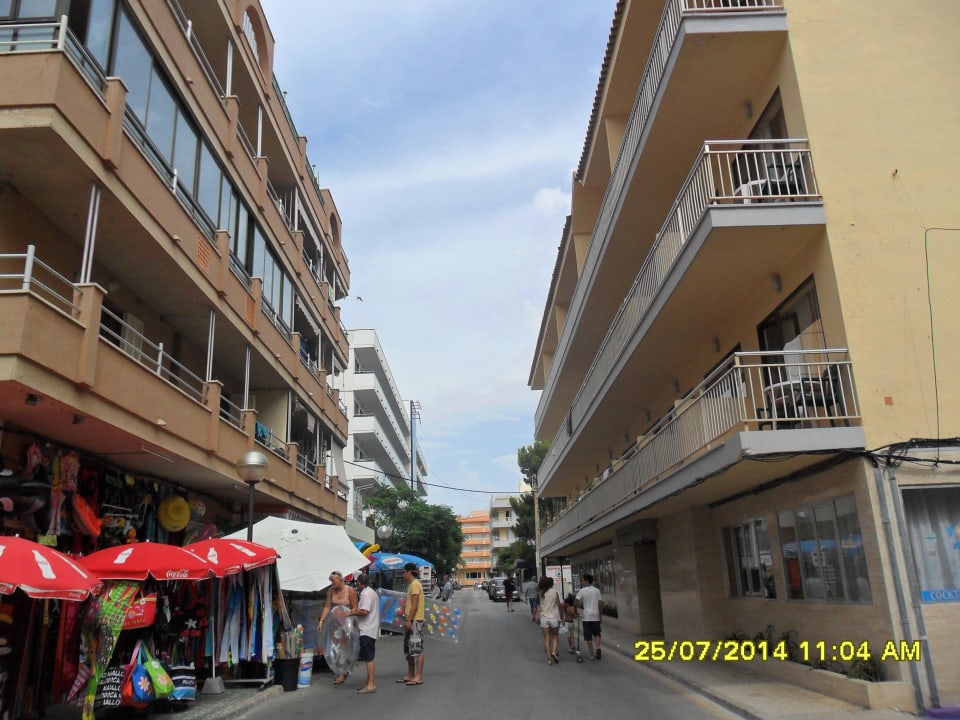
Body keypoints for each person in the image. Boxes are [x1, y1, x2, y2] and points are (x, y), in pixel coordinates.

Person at [317, 570, 358, 684]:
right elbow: (327, 607)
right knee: (335, 646)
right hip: (335, 622)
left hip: (347, 623)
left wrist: (348, 613)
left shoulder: (350, 590)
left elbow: (355, 608)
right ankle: (340, 668)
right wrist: (321, 621)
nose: (332, 583)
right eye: (330, 581)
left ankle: (341, 673)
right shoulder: (331, 591)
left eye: (333, 581)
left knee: (343, 648)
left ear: (340, 579)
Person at [397, 562, 425, 686]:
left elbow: (415, 604)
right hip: (411, 620)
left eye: (404, 572)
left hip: (415, 621)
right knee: (408, 649)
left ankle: (418, 676)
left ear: (409, 572)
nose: (403, 574)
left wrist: (409, 620)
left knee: (416, 649)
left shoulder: (415, 585)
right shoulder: (412, 585)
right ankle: (410, 674)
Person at [351, 573, 379, 694]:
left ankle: (371, 684)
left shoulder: (367, 594)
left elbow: (364, 611)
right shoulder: (371, 592)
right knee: (369, 657)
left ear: (360, 583)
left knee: (368, 658)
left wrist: (352, 613)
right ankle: (369, 682)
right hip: (371, 628)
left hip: (367, 629)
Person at [533, 576, 563, 665]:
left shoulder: (540, 593)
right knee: (555, 636)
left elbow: (539, 606)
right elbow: (559, 605)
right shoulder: (554, 592)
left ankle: (549, 658)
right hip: (553, 617)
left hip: (544, 618)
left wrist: (536, 616)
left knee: (546, 638)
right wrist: (562, 616)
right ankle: (554, 652)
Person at [576, 573, 604, 660]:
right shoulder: (597, 590)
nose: (582, 582)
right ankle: (598, 648)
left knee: (588, 636)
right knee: (597, 633)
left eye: (582, 580)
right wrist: (600, 615)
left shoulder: (582, 591)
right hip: (595, 615)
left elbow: (575, 602)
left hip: (587, 616)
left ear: (586, 581)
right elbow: (601, 604)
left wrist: (576, 611)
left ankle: (592, 655)